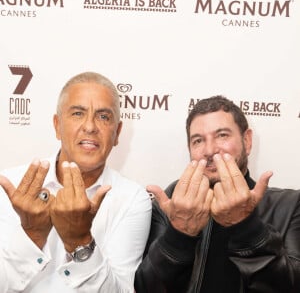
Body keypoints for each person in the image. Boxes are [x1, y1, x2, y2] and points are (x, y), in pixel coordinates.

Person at [0, 71, 152, 292]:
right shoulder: (13, 186)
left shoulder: (132, 199)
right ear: (57, 125)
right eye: (78, 113)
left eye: (103, 116)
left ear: (117, 132)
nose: (90, 126)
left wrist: (81, 242)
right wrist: (32, 234)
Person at [134, 95, 300, 293]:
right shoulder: (173, 203)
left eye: (222, 135)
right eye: (198, 140)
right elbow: (147, 288)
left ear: (247, 141)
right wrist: (179, 235)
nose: (210, 150)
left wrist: (247, 227)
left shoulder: (289, 205)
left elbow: (290, 286)